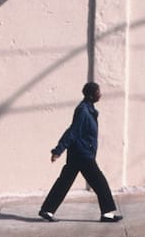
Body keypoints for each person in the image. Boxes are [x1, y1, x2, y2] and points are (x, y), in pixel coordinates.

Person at [39, 81, 123, 222]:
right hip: (82, 154)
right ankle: (107, 213)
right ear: (91, 95)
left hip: (78, 153)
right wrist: (58, 150)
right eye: (98, 92)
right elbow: (72, 131)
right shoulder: (83, 111)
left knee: (64, 182)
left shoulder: (88, 109)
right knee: (100, 182)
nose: (100, 94)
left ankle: (47, 210)